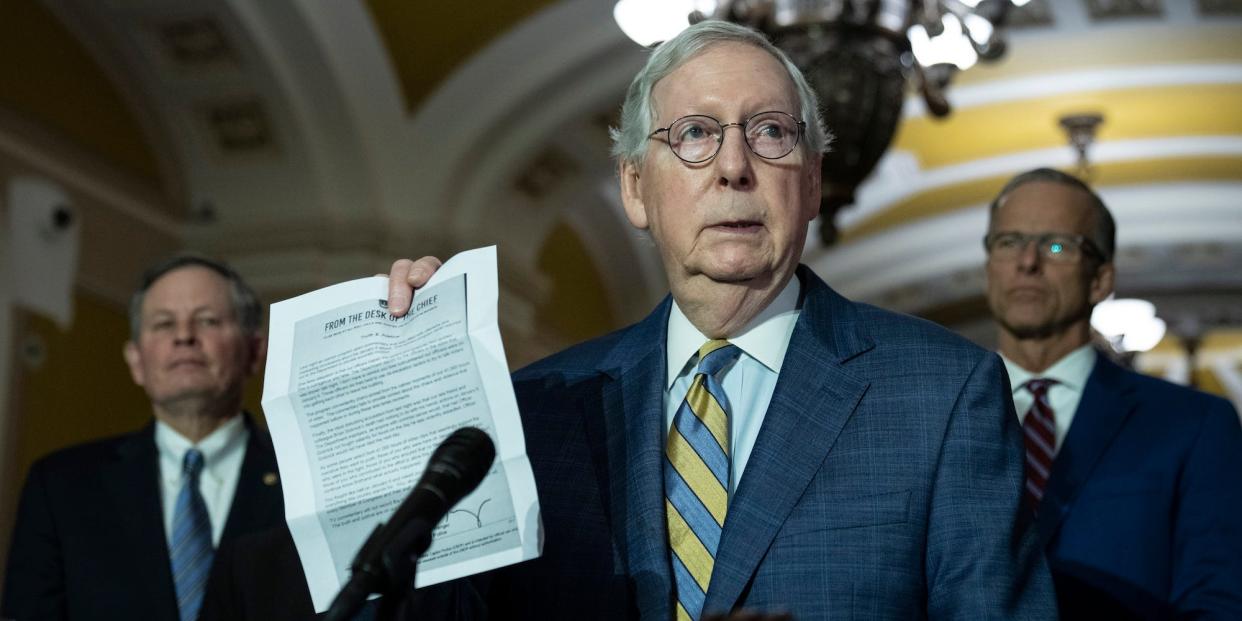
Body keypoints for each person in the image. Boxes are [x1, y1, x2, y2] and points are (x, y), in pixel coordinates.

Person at [205, 20, 1054, 620]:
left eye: (769, 133)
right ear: (635, 189)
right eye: (692, 134)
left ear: (813, 180)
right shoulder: (539, 405)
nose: (732, 166)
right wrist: (408, 383)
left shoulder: (941, 392)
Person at [983, 167, 1242, 618]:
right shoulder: (931, 417)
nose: (1027, 262)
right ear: (989, 266)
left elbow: (1216, 601)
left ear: (1100, 280)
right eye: (1009, 242)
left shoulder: (1195, 424)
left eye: (1056, 245)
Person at [2, 255, 286, 621]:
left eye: (208, 321)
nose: (184, 337)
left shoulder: (306, 477)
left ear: (254, 351)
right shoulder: (60, 485)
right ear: (135, 360)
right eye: (164, 324)